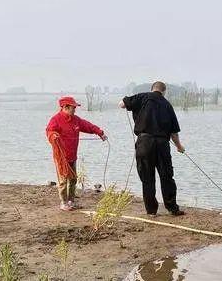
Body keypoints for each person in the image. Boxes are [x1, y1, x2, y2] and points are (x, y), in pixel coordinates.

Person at [119, 81, 186, 216]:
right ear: (164, 91)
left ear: (152, 89)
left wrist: (134, 108)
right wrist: (179, 147)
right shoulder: (167, 105)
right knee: (167, 176)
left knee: (147, 178)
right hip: (162, 144)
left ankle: (151, 211)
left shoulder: (142, 97)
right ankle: (172, 208)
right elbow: (174, 133)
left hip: (144, 142)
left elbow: (121, 104)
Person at [46, 96, 106, 211]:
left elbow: (88, 126)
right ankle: (63, 203)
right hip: (61, 157)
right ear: (65, 107)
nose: (74, 109)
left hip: (73, 156)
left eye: (75, 107)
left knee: (73, 179)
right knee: (63, 181)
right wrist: (53, 136)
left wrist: (100, 132)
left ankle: (71, 201)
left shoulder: (76, 120)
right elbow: (49, 131)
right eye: (73, 107)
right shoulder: (56, 119)